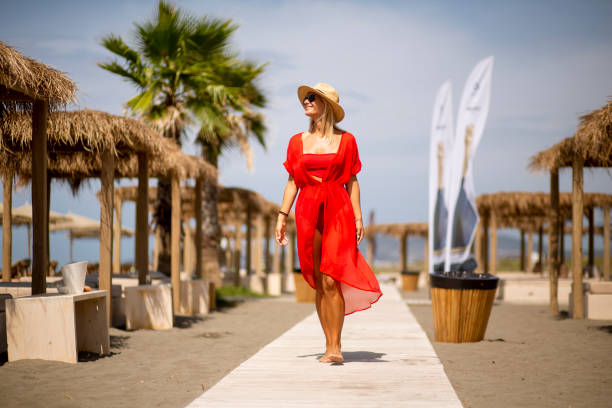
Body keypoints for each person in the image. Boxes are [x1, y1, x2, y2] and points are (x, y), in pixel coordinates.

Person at [275, 83, 382, 363]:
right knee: (320, 282)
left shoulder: (347, 141)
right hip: (308, 210)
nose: (306, 102)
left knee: (332, 278)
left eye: (312, 98)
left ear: (327, 105)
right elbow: (292, 182)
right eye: (305, 99)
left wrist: (358, 215)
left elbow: (352, 180)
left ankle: (336, 347)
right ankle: (327, 342)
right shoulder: (296, 142)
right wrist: (281, 216)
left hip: (338, 209)